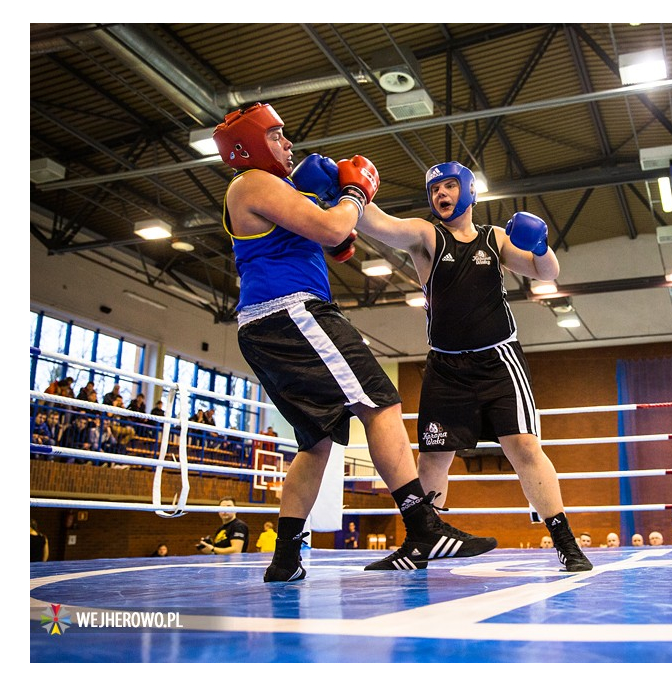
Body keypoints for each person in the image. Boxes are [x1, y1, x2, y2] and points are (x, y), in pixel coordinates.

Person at [212, 103, 496, 580]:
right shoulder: (252, 182)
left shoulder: (267, 189)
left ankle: (284, 558)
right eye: (278, 136)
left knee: (316, 442)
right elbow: (334, 227)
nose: (287, 144)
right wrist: (353, 193)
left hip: (267, 324)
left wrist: (334, 214)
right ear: (251, 144)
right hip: (292, 312)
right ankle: (423, 525)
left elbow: (332, 243)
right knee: (381, 403)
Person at [343, 160, 591, 573]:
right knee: (433, 458)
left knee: (525, 449)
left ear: (470, 190)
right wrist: (344, 189)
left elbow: (545, 273)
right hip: (445, 366)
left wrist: (542, 245)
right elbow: (381, 225)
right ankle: (421, 541)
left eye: (449, 186)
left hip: (499, 362)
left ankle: (564, 541)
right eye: (434, 189)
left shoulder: (494, 239)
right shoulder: (426, 236)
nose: (441, 195)